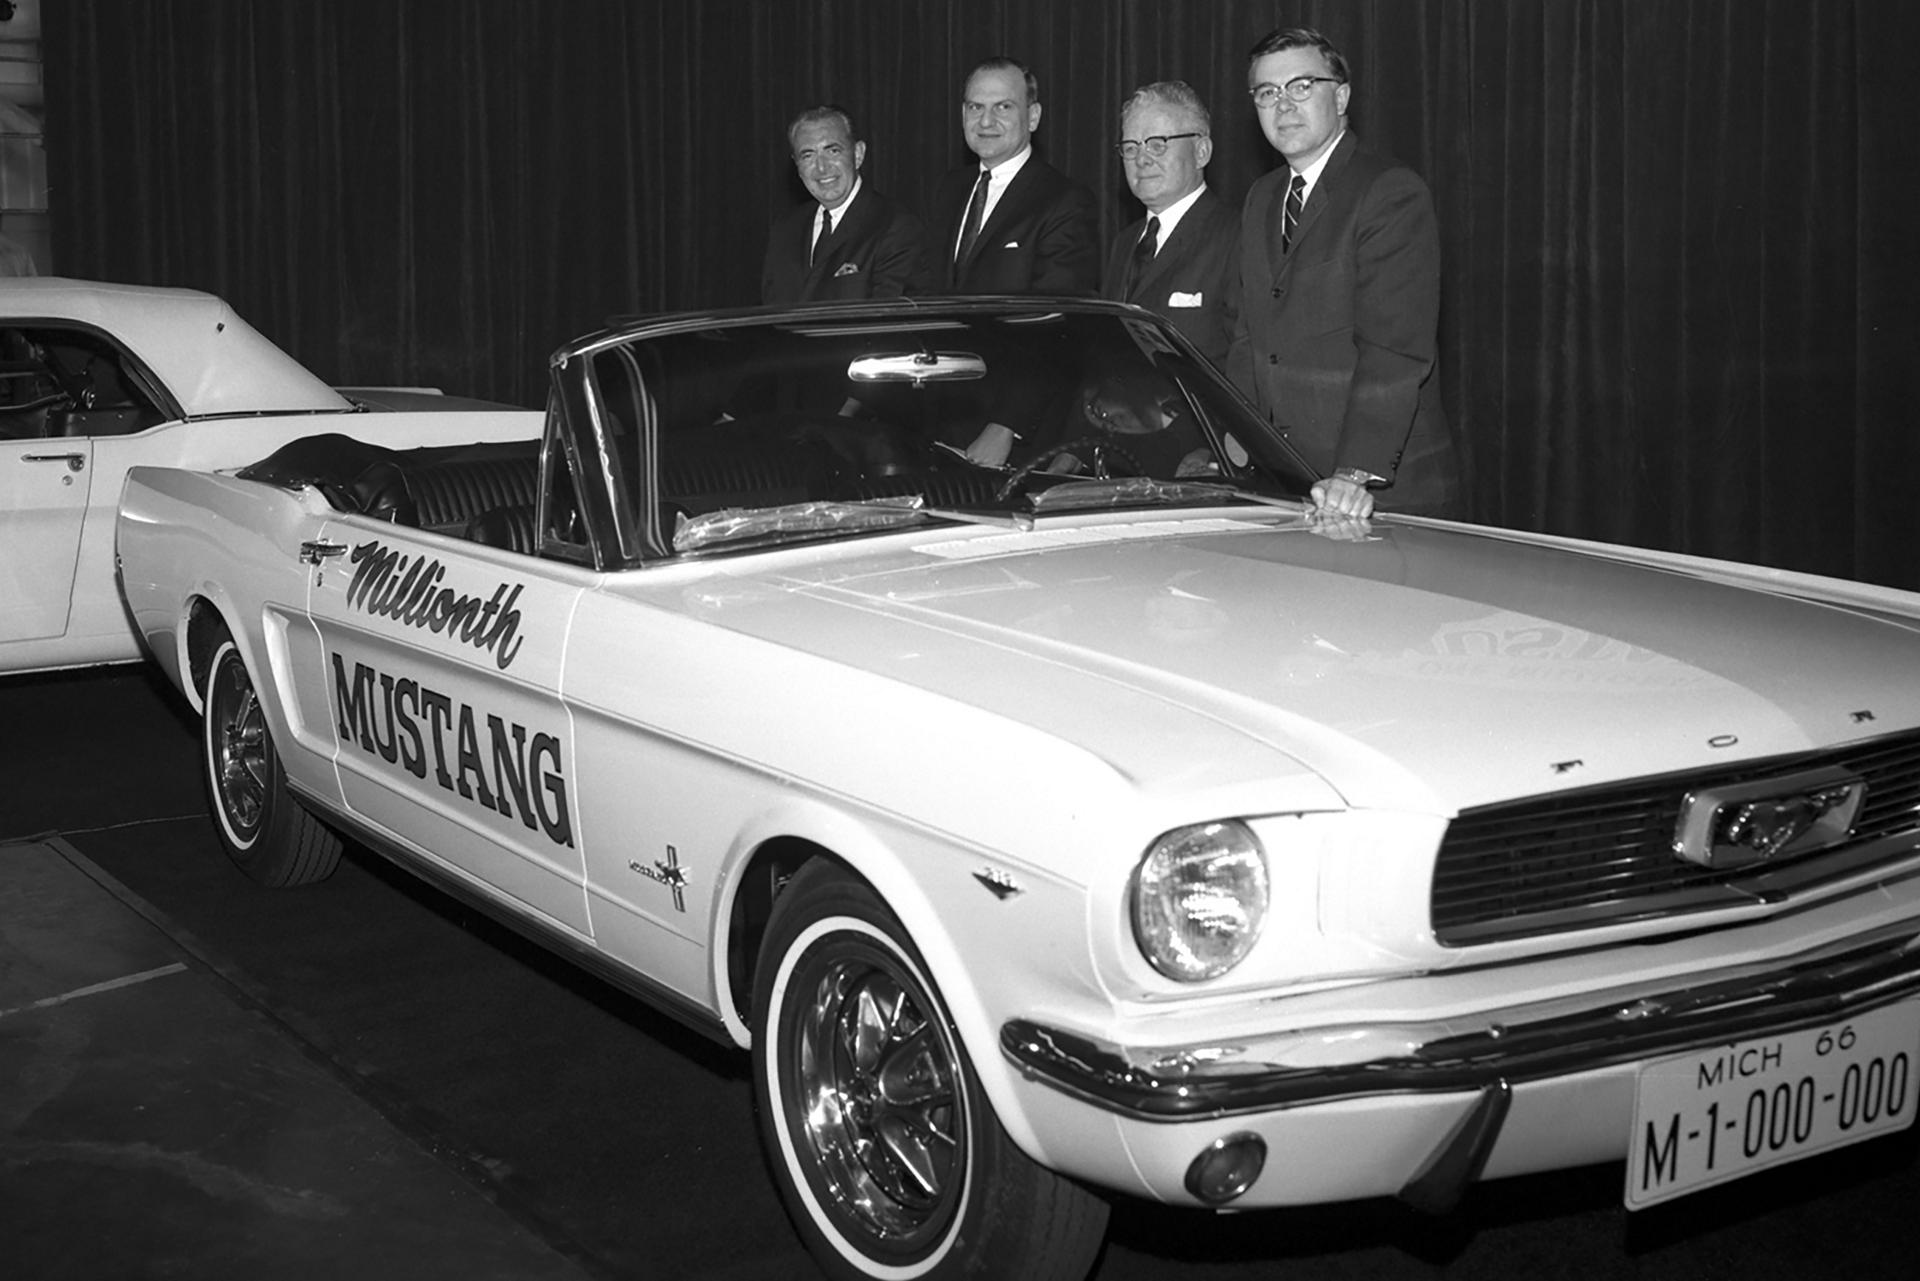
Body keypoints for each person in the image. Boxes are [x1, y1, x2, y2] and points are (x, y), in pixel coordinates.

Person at [1228, 26, 1463, 521]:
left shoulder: (1389, 192)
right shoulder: (1261, 198)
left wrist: (1354, 473)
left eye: (1302, 86)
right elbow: (1249, 339)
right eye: (1267, 93)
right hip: (1290, 486)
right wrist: (1230, 451)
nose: (1283, 105)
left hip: (1379, 495)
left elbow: (1395, 350)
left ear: (1342, 96)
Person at [934, 57, 1099, 466]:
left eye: (1003, 107)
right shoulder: (949, 190)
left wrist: (1005, 425)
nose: (986, 120)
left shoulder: (1063, 201)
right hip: (942, 422)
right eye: (975, 107)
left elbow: (1057, 328)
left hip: (1017, 436)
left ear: (1034, 116)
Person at [1103, 81, 1238, 364]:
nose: (1141, 159)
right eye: (1130, 147)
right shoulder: (1125, 243)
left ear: (1201, 152)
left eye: (1157, 145)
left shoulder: (1236, 235)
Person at [761, 106, 931, 304]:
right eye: (808, 155)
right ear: (796, 165)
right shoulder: (785, 229)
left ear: (858, 154)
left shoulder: (895, 227)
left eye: (833, 151)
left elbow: (887, 322)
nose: (822, 168)